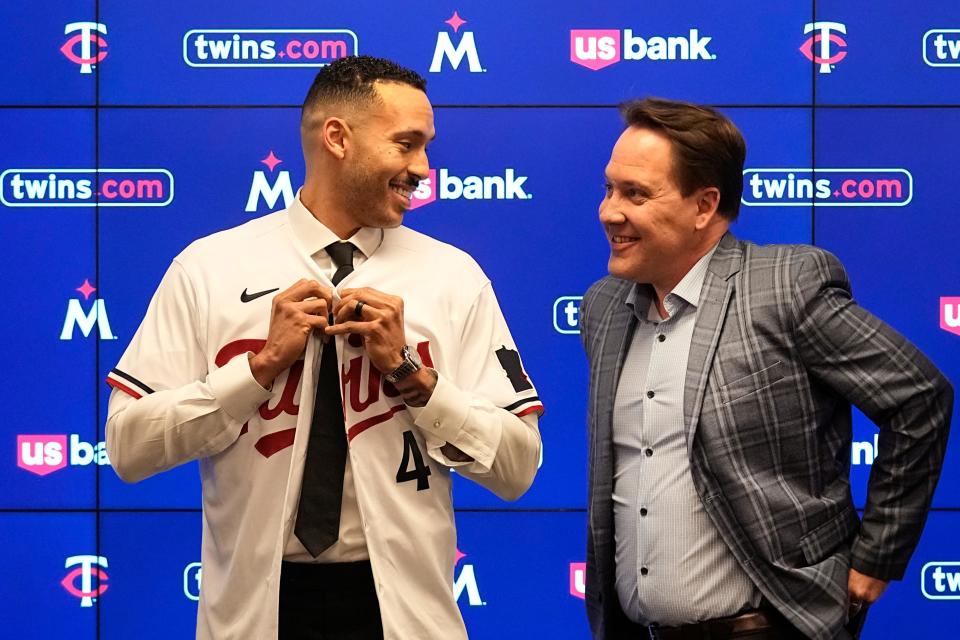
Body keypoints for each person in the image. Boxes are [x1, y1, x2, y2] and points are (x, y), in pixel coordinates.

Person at [105, 55, 543, 640]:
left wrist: (413, 376)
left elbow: (518, 467)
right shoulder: (208, 268)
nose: (424, 168)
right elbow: (128, 448)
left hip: (404, 617)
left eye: (426, 147)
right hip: (254, 615)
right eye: (407, 145)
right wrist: (256, 370)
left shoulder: (454, 277)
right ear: (337, 138)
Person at [579, 97, 953, 640]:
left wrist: (877, 555)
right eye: (610, 189)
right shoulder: (604, 308)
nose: (609, 211)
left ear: (704, 205)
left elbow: (919, 398)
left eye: (636, 193)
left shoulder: (784, 286)